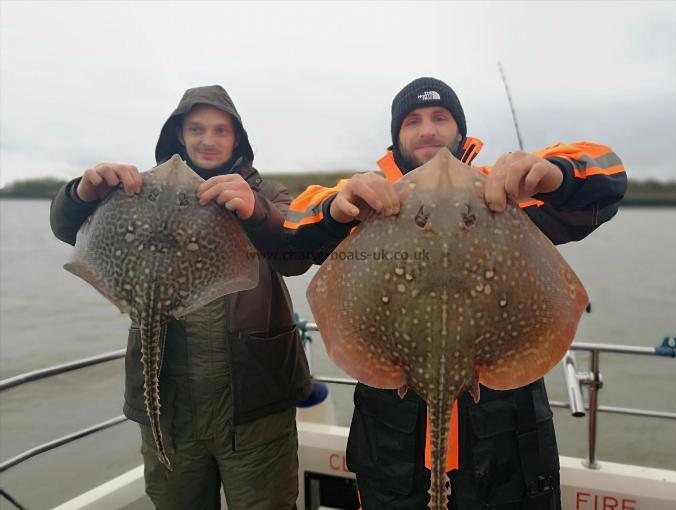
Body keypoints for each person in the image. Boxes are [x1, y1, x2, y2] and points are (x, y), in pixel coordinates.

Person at [283, 77, 627, 509]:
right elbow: (289, 235)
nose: (428, 129)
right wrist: (334, 209)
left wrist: (556, 175)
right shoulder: (372, 200)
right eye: (414, 121)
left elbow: (609, 172)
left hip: (505, 443)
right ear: (397, 137)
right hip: (392, 446)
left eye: (440, 118)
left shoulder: (499, 193)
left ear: (460, 131)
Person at [50, 85, 312, 510]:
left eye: (220, 130)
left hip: (254, 407)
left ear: (237, 140)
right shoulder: (138, 194)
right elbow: (67, 229)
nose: (207, 139)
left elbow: (296, 253)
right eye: (196, 128)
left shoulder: (269, 196)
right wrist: (82, 192)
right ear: (179, 135)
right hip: (167, 404)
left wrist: (255, 211)